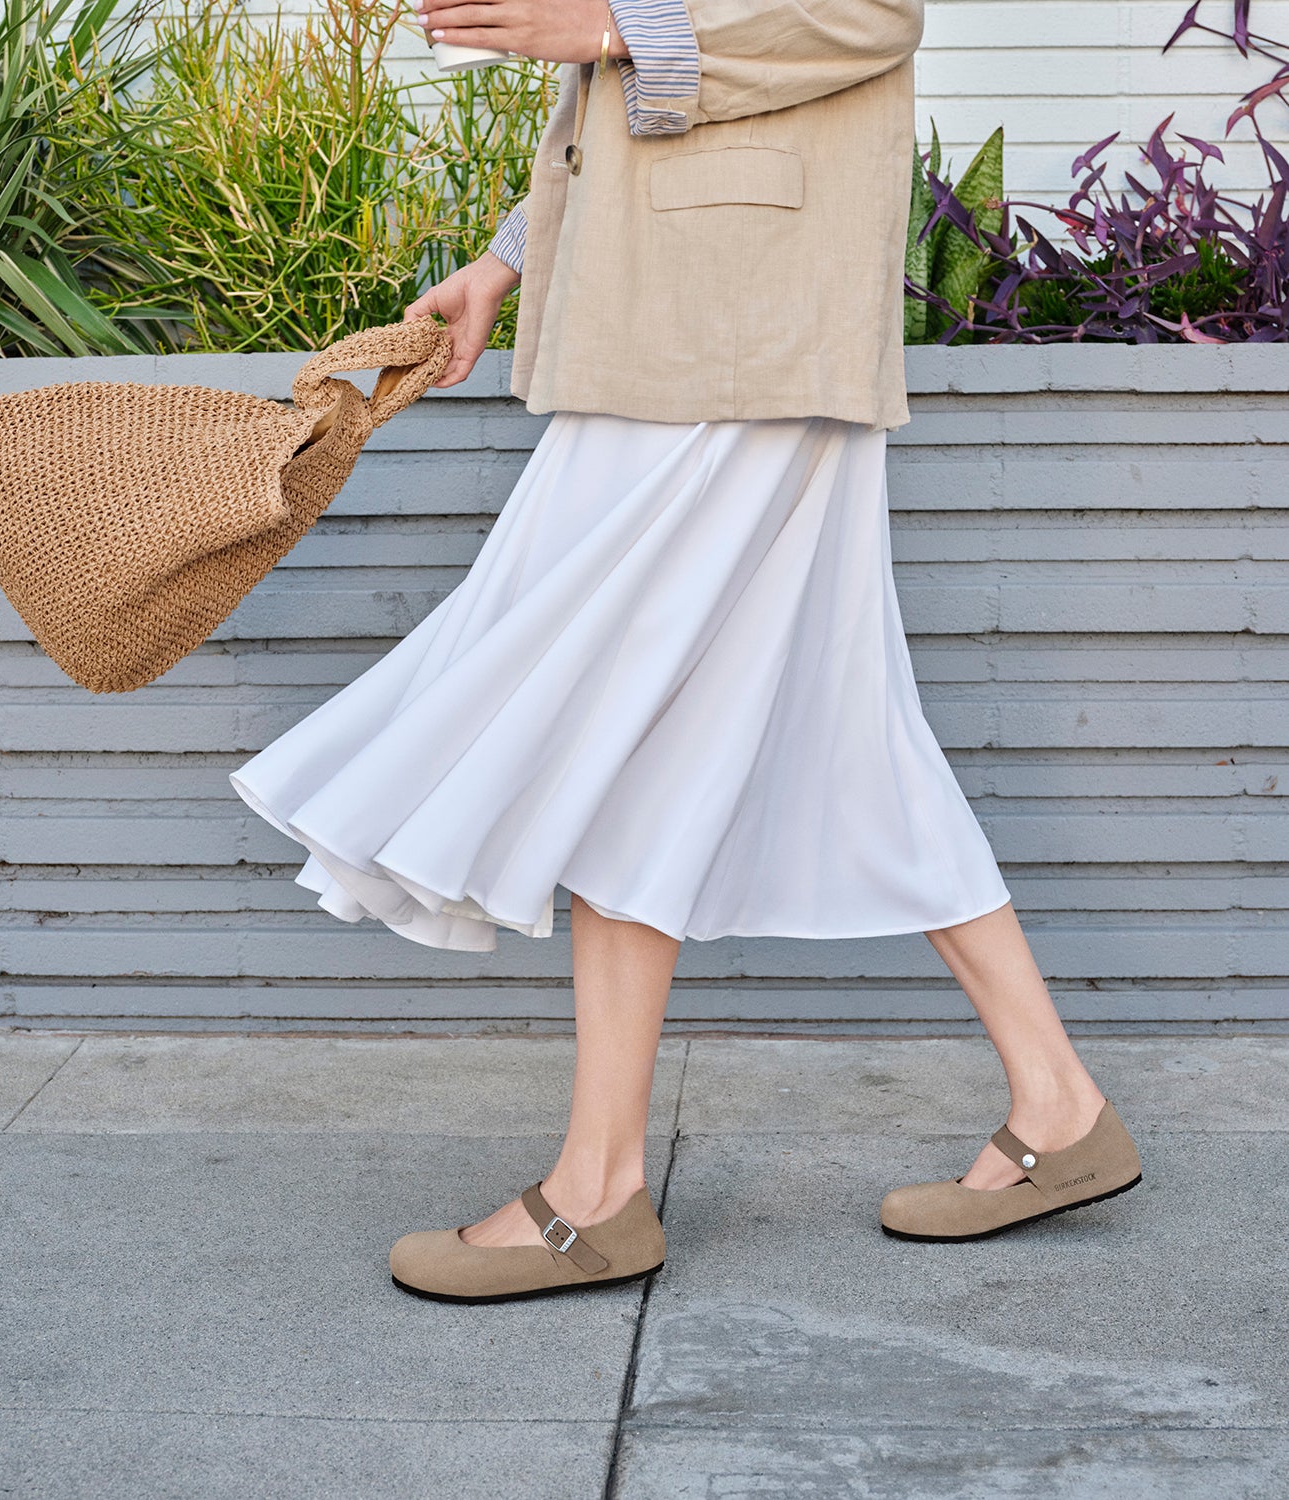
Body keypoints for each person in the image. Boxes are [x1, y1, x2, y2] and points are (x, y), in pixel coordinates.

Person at [229, 0, 1143, 1304]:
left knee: (617, 709)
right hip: (701, 334)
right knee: (803, 732)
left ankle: (601, 1191)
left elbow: (868, 12)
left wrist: (609, 23)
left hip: (737, 338)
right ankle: (1054, 1104)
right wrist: (507, 258)